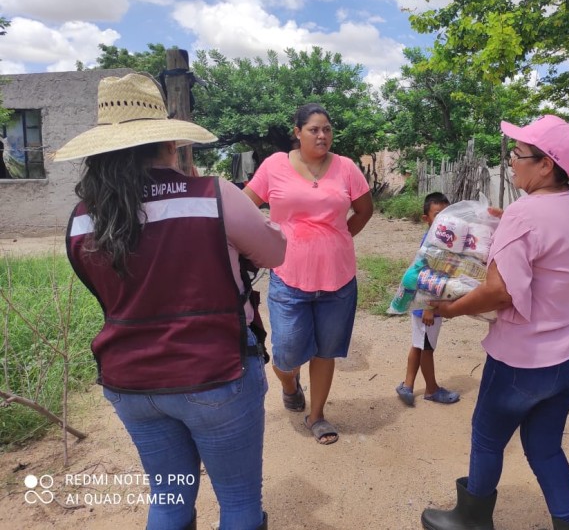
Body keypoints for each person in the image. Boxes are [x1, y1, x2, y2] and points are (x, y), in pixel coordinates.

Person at [53, 73, 287, 530]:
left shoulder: (83, 219)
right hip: (216, 373)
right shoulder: (213, 196)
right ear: (169, 143)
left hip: (131, 382)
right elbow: (274, 253)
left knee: (168, 501)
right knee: (239, 503)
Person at [421, 115, 569, 530]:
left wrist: (448, 310)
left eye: (519, 156)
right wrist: (510, 224)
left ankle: (471, 519)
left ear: (545, 165)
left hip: (525, 361)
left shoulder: (526, 214)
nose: (513, 163)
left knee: (487, 438)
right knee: (544, 448)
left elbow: (499, 293)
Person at [244, 103, 373, 445]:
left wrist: (339, 237)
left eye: (327, 129)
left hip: (339, 277)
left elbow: (364, 209)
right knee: (285, 352)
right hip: (289, 276)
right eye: (314, 129)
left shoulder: (346, 168)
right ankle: (290, 385)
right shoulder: (274, 165)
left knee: (325, 351)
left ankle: (316, 415)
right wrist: (264, 242)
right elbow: (244, 206)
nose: (322, 135)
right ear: (297, 132)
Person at [395, 192, 460, 406]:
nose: (445, 220)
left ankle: (407, 385)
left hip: (420, 303)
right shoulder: (435, 243)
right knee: (426, 348)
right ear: (427, 219)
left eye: (448, 214)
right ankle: (431, 390)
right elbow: (428, 277)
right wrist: (430, 308)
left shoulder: (435, 239)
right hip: (426, 305)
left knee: (418, 344)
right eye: (439, 215)